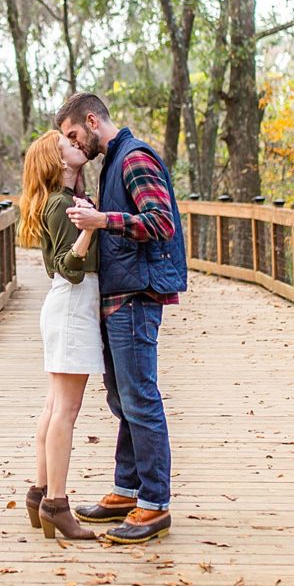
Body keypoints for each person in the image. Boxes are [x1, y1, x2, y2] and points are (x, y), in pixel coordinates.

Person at [56, 92, 186, 544]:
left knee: (140, 398)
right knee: (123, 399)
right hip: (117, 296)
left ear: (92, 121)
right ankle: (127, 489)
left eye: (74, 134)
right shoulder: (112, 162)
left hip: (136, 295)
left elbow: (160, 222)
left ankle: (154, 504)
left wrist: (102, 221)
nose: (74, 142)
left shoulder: (133, 158)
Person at [17, 130, 104, 540]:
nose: (77, 145)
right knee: (65, 412)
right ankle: (56, 502)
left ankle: (39, 493)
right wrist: (90, 228)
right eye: (68, 144)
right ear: (58, 159)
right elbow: (67, 269)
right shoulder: (62, 205)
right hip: (72, 304)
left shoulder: (63, 202)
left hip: (68, 305)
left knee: (54, 406)